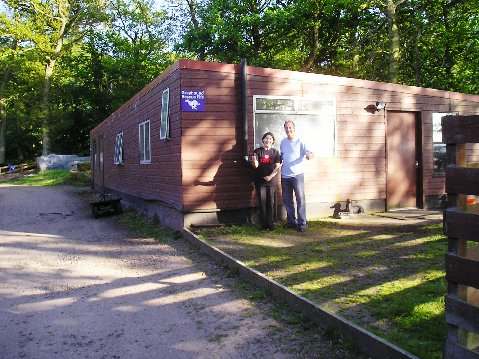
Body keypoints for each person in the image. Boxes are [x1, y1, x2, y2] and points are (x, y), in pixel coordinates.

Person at [280, 120, 313, 232]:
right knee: (287, 200)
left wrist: (309, 155)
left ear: (294, 128)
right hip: (285, 176)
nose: (288, 130)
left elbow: (309, 152)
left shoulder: (300, 141)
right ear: (284, 129)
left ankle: (302, 223)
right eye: (286, 128)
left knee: (300, 199)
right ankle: (291, 222)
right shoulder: (283, 142)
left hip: (297, 175)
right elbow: (282, 157)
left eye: (290, 127)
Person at [250, 132, 281, 230]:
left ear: (273, 141)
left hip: (271, 182)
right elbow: (256, 166)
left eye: (270, 139)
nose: (268, 140)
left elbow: (277, 167)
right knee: (262, 202)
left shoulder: (275, 152)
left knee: (271, 203)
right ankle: (263, 225)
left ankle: (271, 224)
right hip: (260, 181)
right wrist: (254, 162)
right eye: (266, 138)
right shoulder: (258, 151)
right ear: (263, 140)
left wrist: (270, 176)